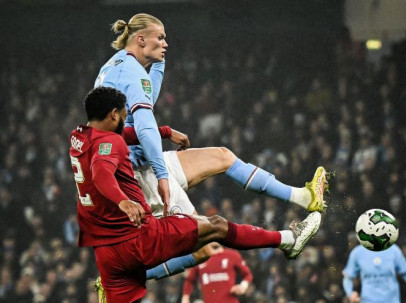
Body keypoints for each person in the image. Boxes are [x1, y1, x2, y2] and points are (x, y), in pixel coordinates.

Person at [94, 12, 329, 281]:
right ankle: (288, 240)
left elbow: (139, 109)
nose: (165, 43)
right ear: (141, 39)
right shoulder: (131, 71)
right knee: (209, 235)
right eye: (160, 38)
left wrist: (159, 64)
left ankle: (303, 197)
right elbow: (145, 128)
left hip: (140, 161)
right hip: (137, 173)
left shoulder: (116, 67)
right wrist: (162, 176)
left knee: (222, 157)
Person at [70, 86, 322, 303]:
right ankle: (289, 239)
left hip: (106, 254)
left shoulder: (79, 137)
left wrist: (166, 132)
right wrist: (123, 200)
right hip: (140, 239)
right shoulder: (110, 145)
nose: (125, 121)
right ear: (113, 114)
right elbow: (102, 171)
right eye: (124, 117)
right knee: (217, 226)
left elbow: (120, 139)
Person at [342, 244, 406, 303]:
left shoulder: (394, 250)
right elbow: (347, 278)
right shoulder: (358, 252)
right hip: (368, 300)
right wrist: (350, 293)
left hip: (391, 300)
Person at [181, 243, 252, 303]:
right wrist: (185, 297)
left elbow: (247, 274)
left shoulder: (232, 255)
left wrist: (242, 286)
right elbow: (190, 280)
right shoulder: (200, 257)